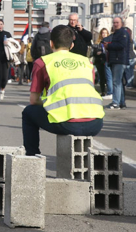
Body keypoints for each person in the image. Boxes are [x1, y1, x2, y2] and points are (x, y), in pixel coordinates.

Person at [22, 25, 105, 156]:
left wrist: (50, 103)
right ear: (72, 45)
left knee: (28, 112)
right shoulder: (86, 62)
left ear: (51, 43)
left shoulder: (43, 62)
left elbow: (33, 100)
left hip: (68, 123)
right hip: (95, 122)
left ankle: (32, 156)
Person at [105, 17, 130, 110]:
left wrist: (109, 46)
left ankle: (116, 103)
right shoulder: (117, 33)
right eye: (114, 22)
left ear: (121, 23)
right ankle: (121, 102)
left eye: (117, 22)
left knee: (116, 82)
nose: (115, 24)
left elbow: (122, 45)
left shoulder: (123, 33)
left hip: (119, 60)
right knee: (119, 82)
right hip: (116, 60)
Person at [92, 28, 109, 96]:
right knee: (102, 77)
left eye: (105, 33)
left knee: (107, 77)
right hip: (99, 62)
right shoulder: (98, 43)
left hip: (107, 61)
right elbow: (94, 53)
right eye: (103, 33)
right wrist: (97, 52)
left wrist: (102, 52)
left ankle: (109, 91)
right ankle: (103, 91)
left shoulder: (109, 41)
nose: (104, 34)